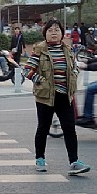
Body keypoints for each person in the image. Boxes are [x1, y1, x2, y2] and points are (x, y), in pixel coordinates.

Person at [23, 18, 90, 175]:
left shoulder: (67, 49)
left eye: (57, 30)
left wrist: (74, 74)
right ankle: (40, 159)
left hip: (65, 96)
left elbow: (74, 67)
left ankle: (74, 162)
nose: (54, 33)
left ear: (62, 33)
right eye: (50, 30)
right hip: (45, 97)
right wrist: (41, 81)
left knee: (69, 128)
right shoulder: (39, 50)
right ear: (45, 33)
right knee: (43, 128)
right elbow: (27, 70)